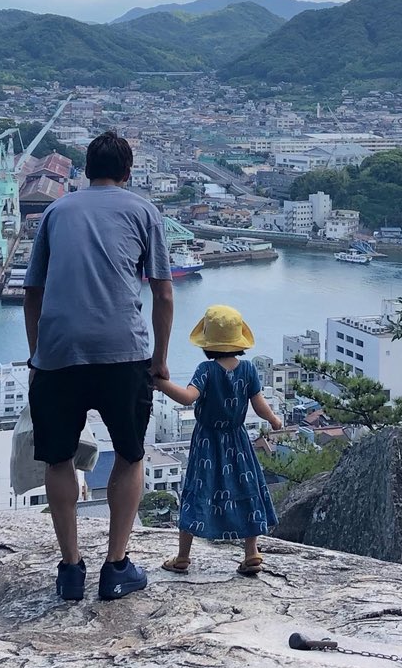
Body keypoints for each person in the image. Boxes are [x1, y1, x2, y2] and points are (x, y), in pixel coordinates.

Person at [23, 128, 173, 604]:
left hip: (59, 354)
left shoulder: (55, 211)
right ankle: (116, 566)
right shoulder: (143, 211)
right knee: (129, 455)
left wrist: (37, 355)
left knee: (59, 458)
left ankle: (70, 570)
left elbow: (32, 291)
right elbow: (163, 292)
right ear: (128, 172)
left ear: (86, 170)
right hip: (122, 352)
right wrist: (160, 362)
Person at [157, 304, 281, 578]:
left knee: (196, 492)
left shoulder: (206, 370)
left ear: (208, 343)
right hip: (239, 442)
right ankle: (251, 553)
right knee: (246, 488)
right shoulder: (248, 369)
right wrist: (274, 420)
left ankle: (183, 557)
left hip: (207, 443)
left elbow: (189, 398)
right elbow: (259, 405)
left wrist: (160, 384)